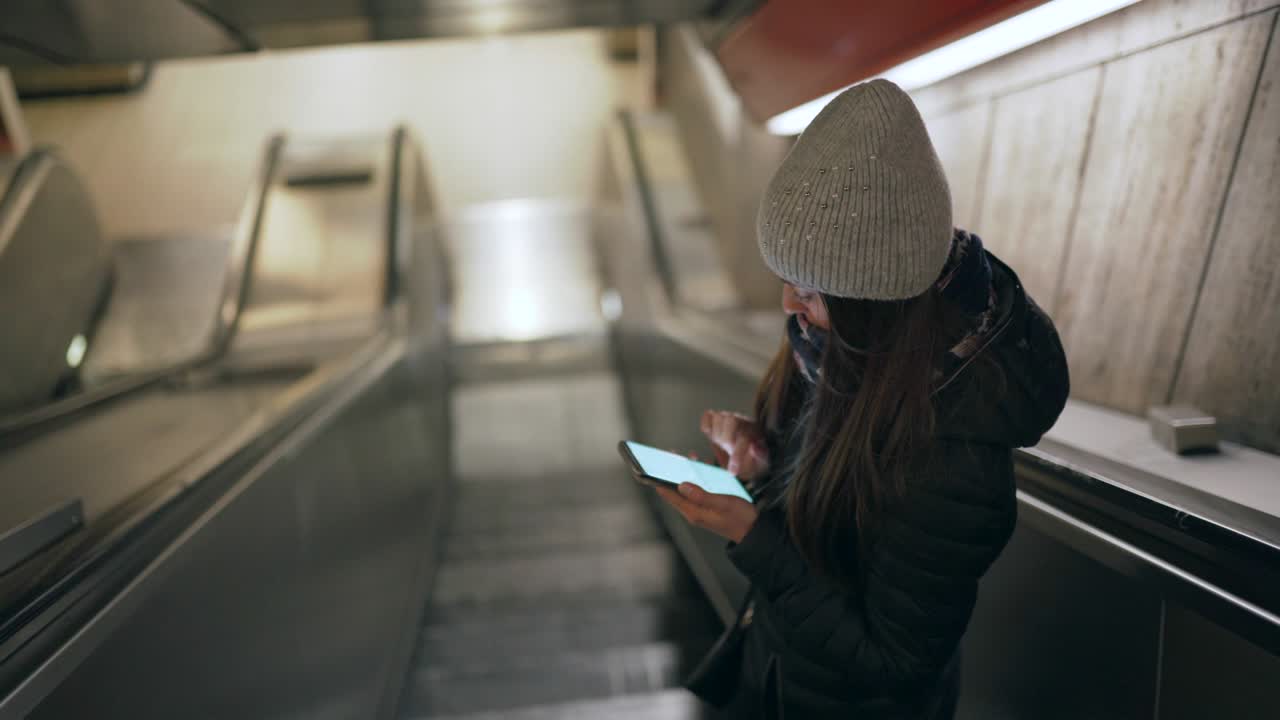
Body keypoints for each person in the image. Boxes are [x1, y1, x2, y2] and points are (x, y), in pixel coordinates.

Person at [652, 79, 1070, 719]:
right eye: (786, 281)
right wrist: (765, 465)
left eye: (810, 291)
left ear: (877, 304)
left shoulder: (954, 459)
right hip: (784, 682)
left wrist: (752, 533)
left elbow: (894, 664)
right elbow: (833, 518)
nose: (789, 305)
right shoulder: (834, 354)